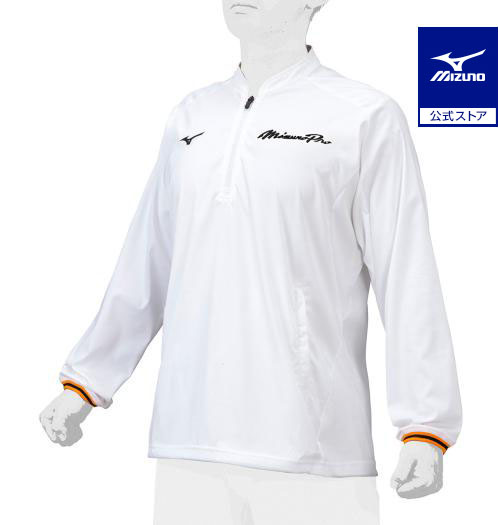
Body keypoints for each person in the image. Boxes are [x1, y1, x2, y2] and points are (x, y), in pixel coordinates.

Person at [40, 1, 462, 522]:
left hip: (312, 449)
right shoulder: (192, 115)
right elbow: (148, 260)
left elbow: (407, 273)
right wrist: (85, 382)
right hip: (188, 443)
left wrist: (426, 425)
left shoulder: (363, 115)